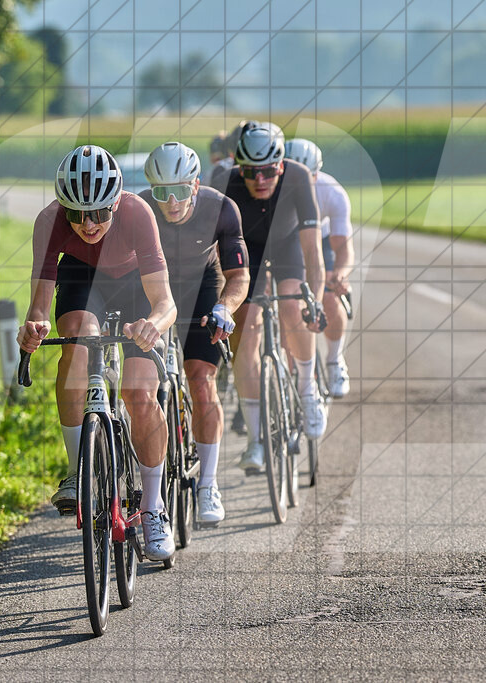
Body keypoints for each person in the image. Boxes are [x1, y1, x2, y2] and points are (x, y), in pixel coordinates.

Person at [17, 144, 178, 561]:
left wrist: (152, 326)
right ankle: (78, 471)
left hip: (134, 284)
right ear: (63, 207)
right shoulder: (50, 221)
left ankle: (154, 506)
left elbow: (165, 303)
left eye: (100, 213)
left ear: (117, 202)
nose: (88, 224)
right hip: (82, 280)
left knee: (140, 396)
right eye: (77, 214)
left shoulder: (138, 213)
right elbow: (39, 304)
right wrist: (34, 326)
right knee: (77, 341)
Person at [140, 141, 249, 525]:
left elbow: (238, 276)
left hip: (201, 287)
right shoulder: (137, 210)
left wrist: (223, 308)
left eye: (181, 191)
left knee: (202, 380)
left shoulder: (222, 208)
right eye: (161, 193)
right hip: (152, 292)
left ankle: (208, 483)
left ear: (197, 186)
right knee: (141, 390)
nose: (172, 202)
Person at [219, 122, 327, 473]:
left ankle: (308, 389)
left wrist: (317, 301)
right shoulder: (226, 183)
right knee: (244, 339)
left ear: (281, 165)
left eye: (268, 171)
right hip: (246, 255)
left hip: (287, 246)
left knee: (293, 302)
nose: (260, 179)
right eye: (251, 172)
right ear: (240, 166)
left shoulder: (296, 177)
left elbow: (313, 255)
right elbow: (217, 257)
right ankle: (255, 440)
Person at [284, 138, 354, 398]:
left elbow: (343, 248)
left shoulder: (332, 193)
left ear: (317, 172)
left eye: (307, 176)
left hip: (320, 240)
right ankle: (294, 374)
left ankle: (334, 360)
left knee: (328, 296)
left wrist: (340, 274)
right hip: (286, 239)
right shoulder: (271, 188)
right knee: (285, 305)